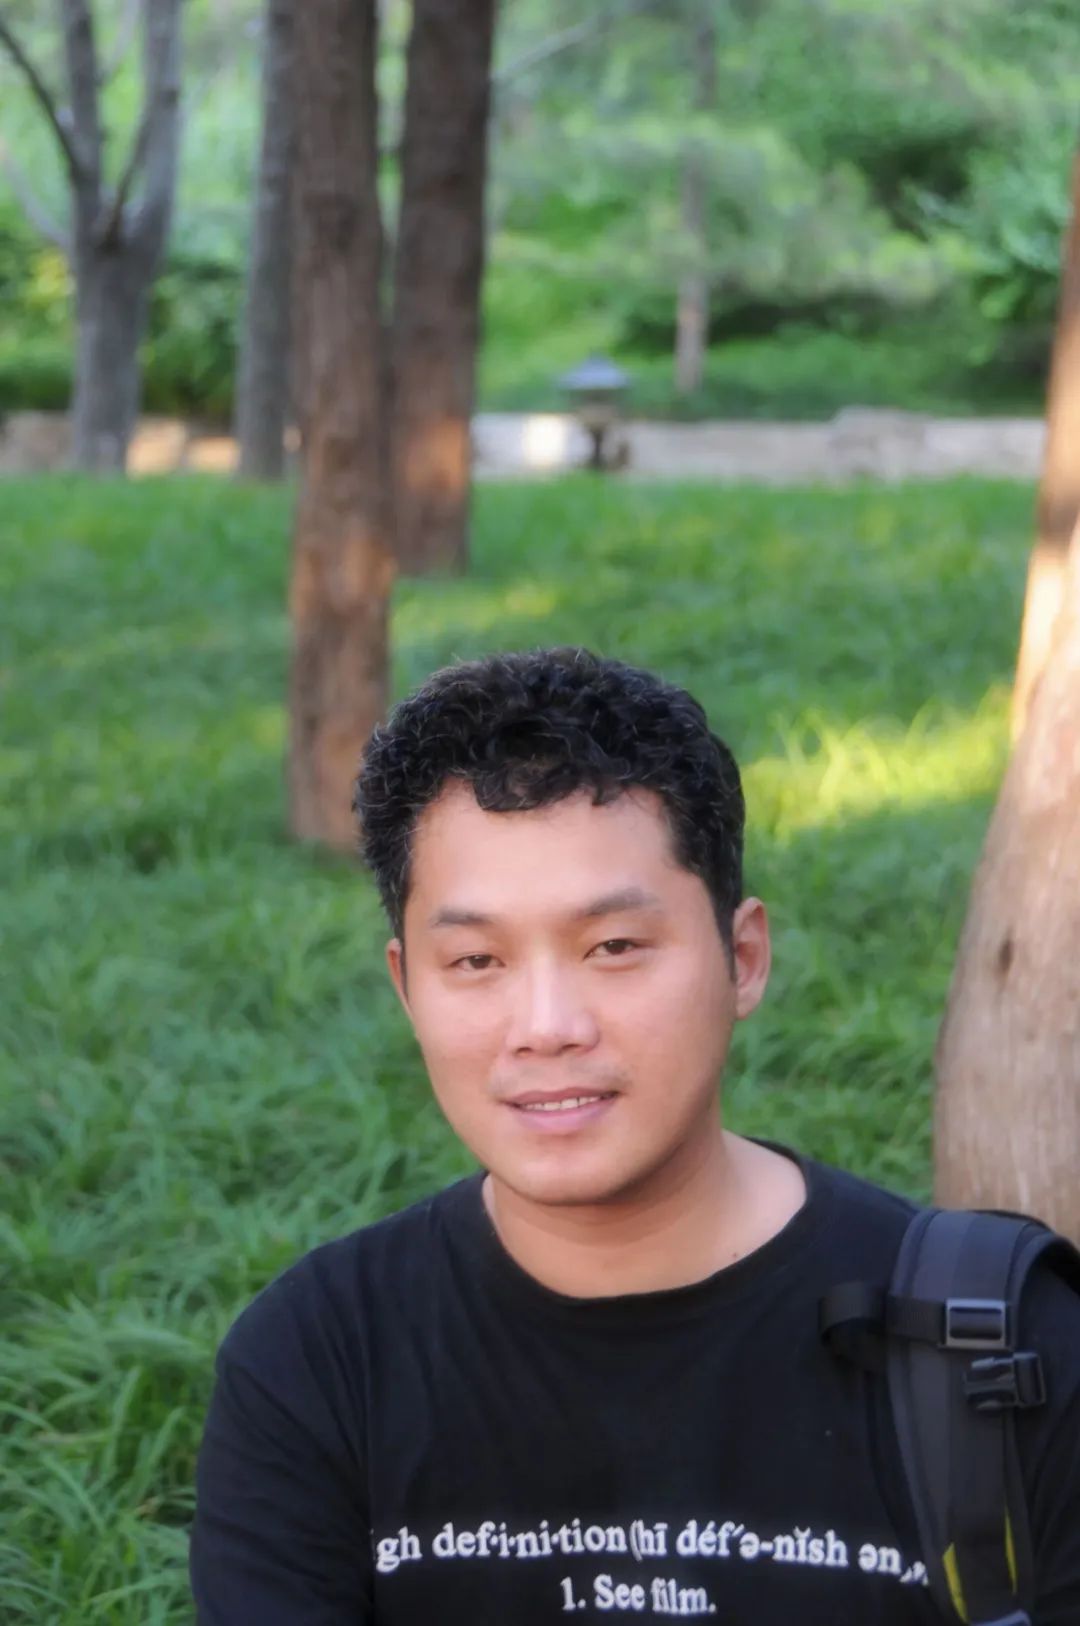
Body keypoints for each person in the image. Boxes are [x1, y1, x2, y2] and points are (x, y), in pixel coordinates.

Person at [189, 646, 1080, 1625]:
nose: (546, 1026)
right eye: (476, 960)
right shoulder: (317, 1363)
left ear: (743, 958)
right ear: (407, 988)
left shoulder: (1004, 1348)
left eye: (613, 947)